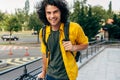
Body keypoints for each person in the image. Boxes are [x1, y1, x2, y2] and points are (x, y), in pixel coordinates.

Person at [37, 0, 88, 80]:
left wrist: (73, 47)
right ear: (44, 14)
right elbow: (44, 54)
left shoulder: (74, 28)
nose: (52, 16)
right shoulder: (43, 31)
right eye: (48, 13)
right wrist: (43, 72)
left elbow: (85, 44)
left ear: (61, 12)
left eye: (55, 12)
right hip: (50, 75)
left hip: (67, 76)